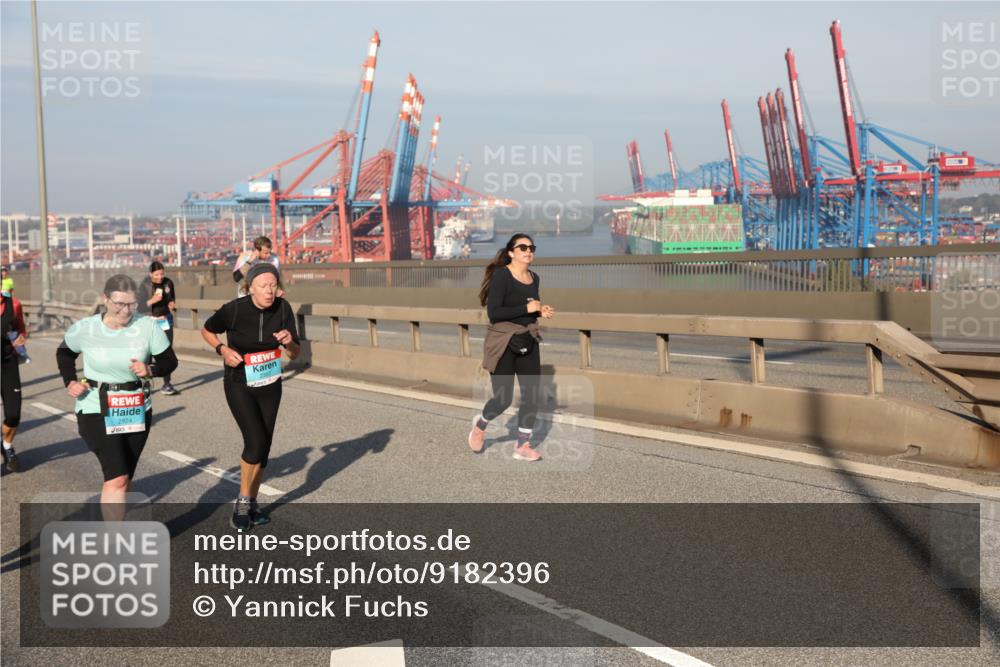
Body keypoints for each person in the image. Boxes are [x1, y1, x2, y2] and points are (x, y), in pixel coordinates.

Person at [56, 275, 177, 506]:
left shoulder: (147, 326)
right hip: (96, 406)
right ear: (106, 299)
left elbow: (170, 361)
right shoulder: (86, 328)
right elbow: (64, 353)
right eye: (120, 304)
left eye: (131, 304)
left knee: (125, 477)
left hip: (136, 407)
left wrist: (150, 369)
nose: (126, 310)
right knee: (118, 478)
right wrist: (70, 381)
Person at [201, 263, 299, 531]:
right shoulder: (234, 309)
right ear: (250, 288)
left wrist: (288, 341)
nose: (269, 291)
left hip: (270, 385)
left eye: (273, 285)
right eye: (263, 286)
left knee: (264, 448)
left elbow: (295, 354)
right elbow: (207, 330)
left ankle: (252, 502)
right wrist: (222, 349)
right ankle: (243, 502)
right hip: (239, 383)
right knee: (255, 443)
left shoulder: (283, 309)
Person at [468, 234, 554, 461]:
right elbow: (495, 313)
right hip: (503, 341)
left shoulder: (534, 278)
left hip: (528, 339)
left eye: (531, 247)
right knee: (503, 398)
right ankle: (480, 425)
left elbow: (527, 309)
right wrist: (527, 309)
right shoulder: (502, 276)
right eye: (523, 247)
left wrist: (539, 311)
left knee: (531, 395)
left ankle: (522, 445)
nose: (528, 251)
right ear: (511, 252)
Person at [137, 261, 179, 395]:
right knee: (148, 352)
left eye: (162, 274)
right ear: (150, 274)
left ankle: (167, 384)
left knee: (167, 352)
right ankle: (146, 383)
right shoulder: (145, 285)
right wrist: (152, 301)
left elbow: (171, 298)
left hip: (165, 320)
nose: (160, 277)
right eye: (156, 275)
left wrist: (171, 304)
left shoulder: (168, 283)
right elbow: (140, 306)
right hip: (149, 320)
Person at [1, 292, 27, 472]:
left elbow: (20, 329)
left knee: (13, 414)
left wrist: (21, 337)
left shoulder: (14, 303)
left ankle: (7, 445)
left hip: (8, 362)